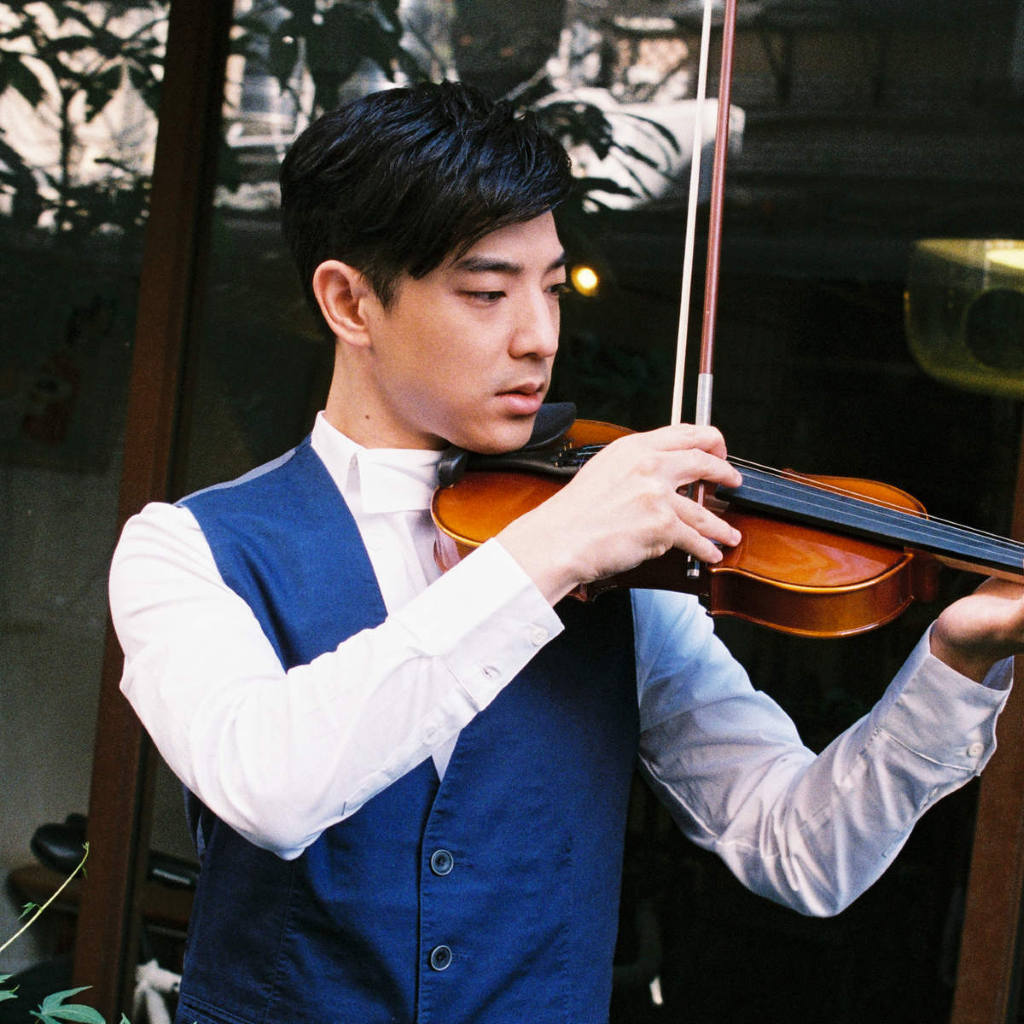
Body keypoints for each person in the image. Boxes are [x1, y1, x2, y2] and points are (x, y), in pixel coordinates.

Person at [109, 81, 1019, 1024]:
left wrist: (956, 664)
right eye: (487, 293)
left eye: (550, 288)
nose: (540, 338)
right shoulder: (186, 550)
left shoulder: (624, 569)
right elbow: (271, 789)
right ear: (350, 302)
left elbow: (801, 851)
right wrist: (549, 550)